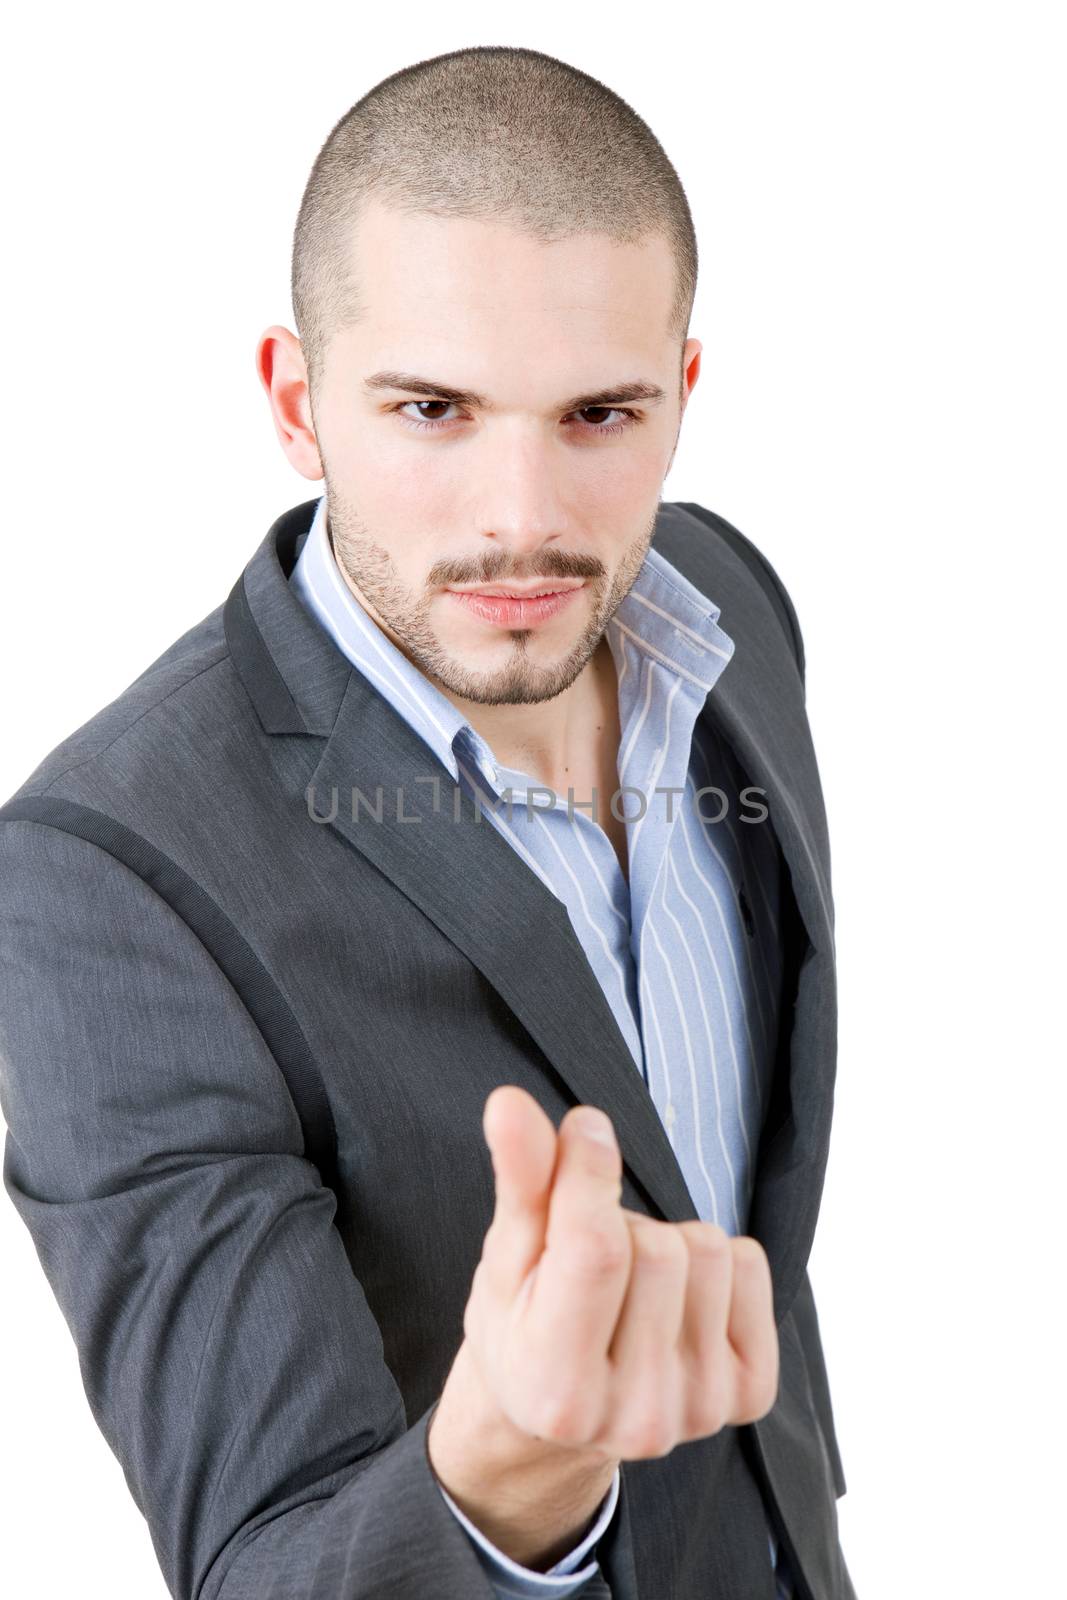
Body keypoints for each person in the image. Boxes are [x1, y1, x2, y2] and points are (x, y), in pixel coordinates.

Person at [0, 44, 855, 1600]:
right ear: (295, 398)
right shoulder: (103, 875)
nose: (521, 516)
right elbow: (259, 1567)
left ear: (683, 395)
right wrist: (506, 1476)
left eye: (600, 413)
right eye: (433, 409)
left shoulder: (729, 610)